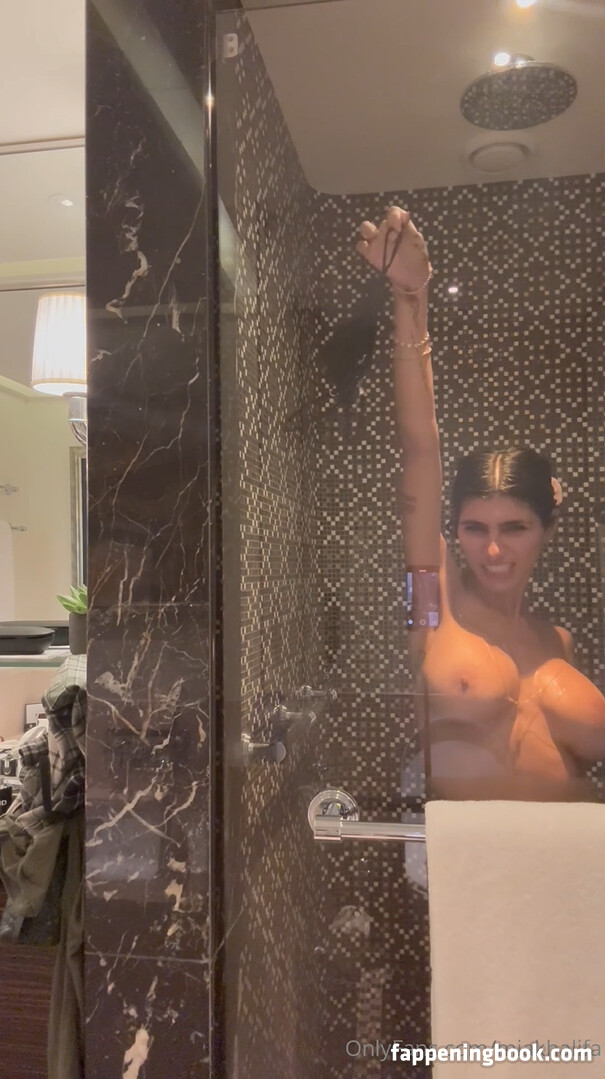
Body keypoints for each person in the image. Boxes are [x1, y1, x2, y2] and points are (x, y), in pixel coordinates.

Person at [357, 206, 605, 799]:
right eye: (474, 528)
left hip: (576, 852)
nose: (493, 550)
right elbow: (420, 449)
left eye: (514, 527)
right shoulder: (431, 610)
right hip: (475, 856)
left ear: (547, 527)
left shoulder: (559, 642)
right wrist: (411, 299)